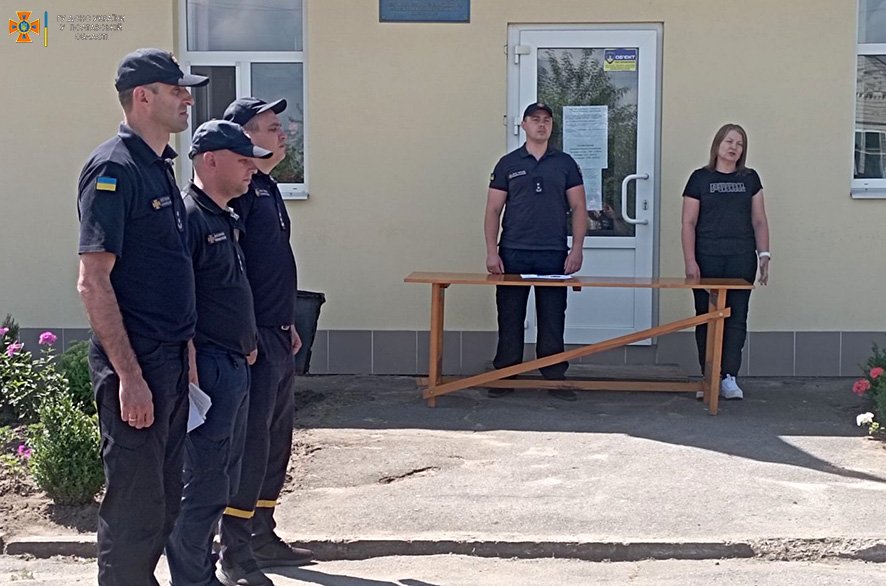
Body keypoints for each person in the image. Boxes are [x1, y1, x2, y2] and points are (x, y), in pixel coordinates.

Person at [76, 48, 208, 586]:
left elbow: (168, 272)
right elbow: (94, 280)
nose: (187, 98)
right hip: (136, 361)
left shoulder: (159, 168)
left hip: (169, 360)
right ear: (142, 97)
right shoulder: (114, 168)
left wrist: (187, 352)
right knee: (135, 507)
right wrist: (129, 376)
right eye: (176, 89)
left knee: (163, 501)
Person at [166, 120, 272, 586]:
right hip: (207, 367)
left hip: (232, 363)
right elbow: (178, 300)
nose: (251, 168)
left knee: (223, 476)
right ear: (209, 160)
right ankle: (192, 578)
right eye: (242, 159)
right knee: (204, 482)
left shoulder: (223, 215)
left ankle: (203, 571)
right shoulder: (189, 216)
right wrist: (190, 362)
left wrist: (247, 342)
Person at [216, 97, 313, 586]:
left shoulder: (266, 187)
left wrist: (285, 320)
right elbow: (233, 272)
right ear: (245, 136)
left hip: (276, 331)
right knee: (251, 442)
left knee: (276, 439)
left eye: (281, 126)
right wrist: (248, 328)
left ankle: (262, 531)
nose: (283, 134)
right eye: (272, 127)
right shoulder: (239, 194)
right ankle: (234, 550)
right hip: (251, 339)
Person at [484, 102, 588, 402]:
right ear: (524, 125)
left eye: (547, 120)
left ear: (552, 126)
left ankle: (554, 376)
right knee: (510, 315)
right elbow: (493, 209)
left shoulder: (565, 164)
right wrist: (492, 252)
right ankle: (505, 375)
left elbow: (579, 207)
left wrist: (577, 249)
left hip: (552, 253)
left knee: (553, 316)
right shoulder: (507, 164)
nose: (541, 125)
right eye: (535, 119)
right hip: (513, 252)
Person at [681, 123, 770, 400]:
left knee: (736, 317)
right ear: (718, 144)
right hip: (707, 257)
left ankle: (729, 376)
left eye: (740, 143)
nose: (734, 147)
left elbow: (759, 220)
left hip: (740, 258)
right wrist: (690, 261)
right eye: (729, 141)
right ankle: (709, 377)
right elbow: (688, 223)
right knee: (706, 317)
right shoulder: (699, 178)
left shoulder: (750, 179)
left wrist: (764, 255)